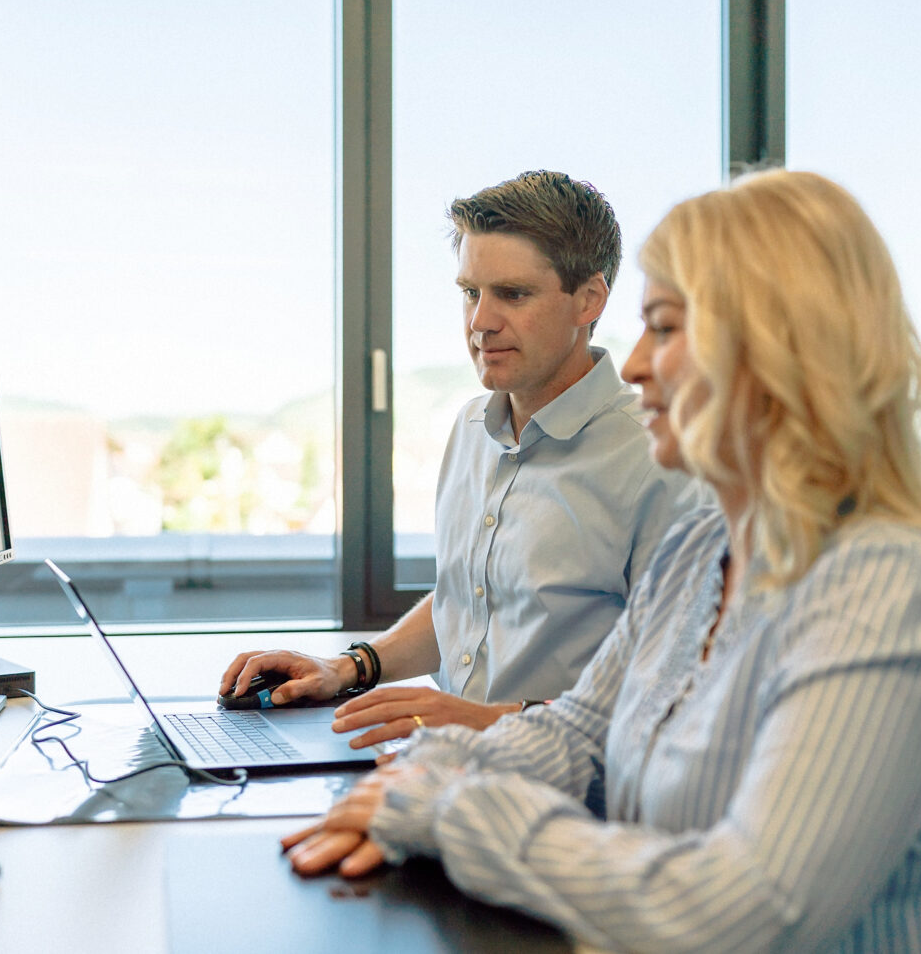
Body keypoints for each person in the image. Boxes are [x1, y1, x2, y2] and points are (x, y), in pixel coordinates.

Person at [279, 170, 921, 952]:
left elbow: (750, 907)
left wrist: (450, 812)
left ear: (778, 351)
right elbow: (574, 735)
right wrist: (424, 771)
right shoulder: (704, 552)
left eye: (665, 329)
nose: (634, 366)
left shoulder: (893, 586)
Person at [220, 170, 700, 749]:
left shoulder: (658, 459)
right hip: (439, 768)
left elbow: (674, 685)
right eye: (471, 292)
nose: (480, 322)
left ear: (589, 300)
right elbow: (469, 603)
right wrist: (347, 669)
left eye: (513, 294)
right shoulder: (472, 428)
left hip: (566, 788)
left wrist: (491, 723)